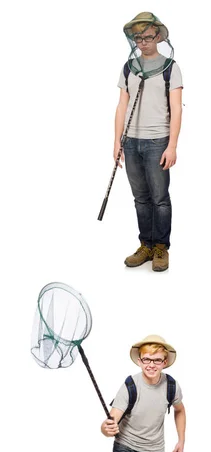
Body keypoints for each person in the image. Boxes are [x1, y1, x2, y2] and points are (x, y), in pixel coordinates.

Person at [114, 12, 183, 272]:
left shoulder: (170, 67)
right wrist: (117, 141)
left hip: (157, 141)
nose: (143, 42)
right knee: (140, 198)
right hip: (131, 142)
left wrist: (172, 145)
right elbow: (122, 105)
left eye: (148, 37)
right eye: (138, 38)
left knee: (159, 198)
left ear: (158, 37)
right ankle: (145, 244)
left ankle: (160, 248)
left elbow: (176, 108)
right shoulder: (127, 68)